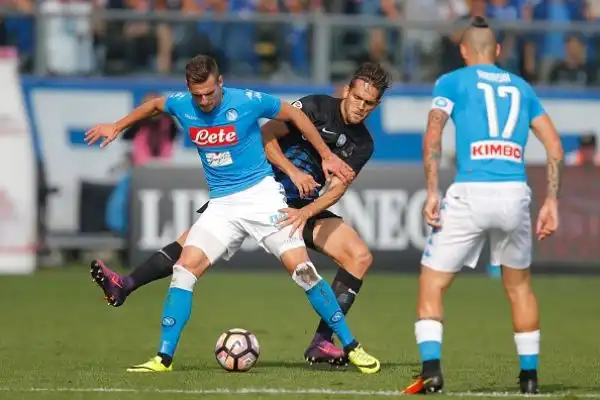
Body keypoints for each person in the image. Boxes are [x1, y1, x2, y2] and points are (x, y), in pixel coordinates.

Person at [85, 55, 381, 374]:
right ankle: (161, 357)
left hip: (269, 201)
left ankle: (347, 345)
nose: (204, 100)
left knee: (314, 269)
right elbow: (157, 106)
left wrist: (320, 167)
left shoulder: (248, 102)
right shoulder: (184, 104)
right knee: (185, 266)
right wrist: (116, 125)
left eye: (209, 93)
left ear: (221, 83)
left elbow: (324, 167)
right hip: (227, 202)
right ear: (346, 91)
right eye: (197, 94)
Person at [402, 17, 563, 395]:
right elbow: (554, 147)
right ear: (498, 52)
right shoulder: (523, 88)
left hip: (471, 191)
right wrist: (552, 201)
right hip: (515, 193)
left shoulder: (451, 81)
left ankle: (431, 373)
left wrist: (431, 190)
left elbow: (434, 135)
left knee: (433, 282)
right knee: (519, 287)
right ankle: (529, 379)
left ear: (463, 50)